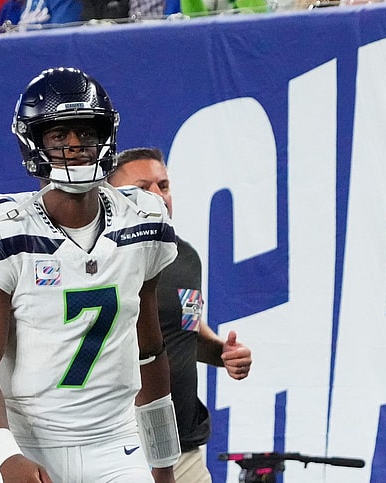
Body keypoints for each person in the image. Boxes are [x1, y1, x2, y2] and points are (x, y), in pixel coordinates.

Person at [0, 67, 181, 483]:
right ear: (35, 142)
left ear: (104, 137)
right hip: (23, 438)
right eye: (59, 137)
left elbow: (150, 351)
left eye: (85, 134)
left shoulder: (143, 218)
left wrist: (163, 465)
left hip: (114, 442)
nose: (74, 146)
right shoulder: (4, 226)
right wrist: (6, 456)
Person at [108, 147, 253, 483]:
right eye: (143, 187)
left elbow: (185, 330)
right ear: (109, 196)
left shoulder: (184, 256)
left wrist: (222, 352)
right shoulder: (96, 261)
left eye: (164, 185)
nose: (157, 196)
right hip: (121, 451)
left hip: (184, 451)